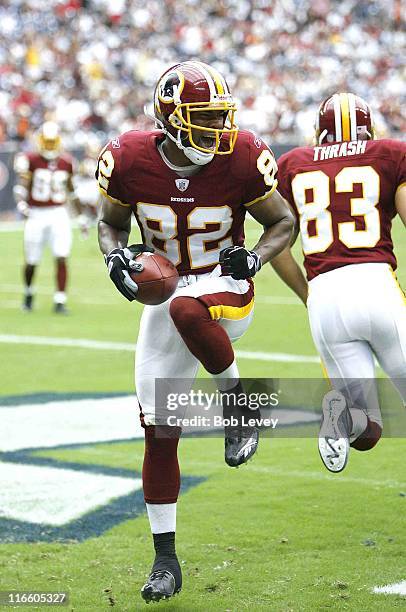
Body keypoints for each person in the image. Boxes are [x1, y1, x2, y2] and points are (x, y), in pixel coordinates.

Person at [96, 60, 294, 603]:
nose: (217, 130)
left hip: (223, 284)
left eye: (219, 117)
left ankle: (241, 407)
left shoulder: (242, 155)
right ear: (170, 119)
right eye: (203, 118)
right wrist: (117, 258)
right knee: (158, 427)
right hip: (168, 288)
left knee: (188, 311)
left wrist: (252, 257)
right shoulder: (130, 159)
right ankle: (166, 560)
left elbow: (283, 222)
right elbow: (109, 223)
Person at [271, 92, 406, 473]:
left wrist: (306, 294)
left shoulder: (294, 163)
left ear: (319, 132)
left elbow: (278, 245)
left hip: (325, 297)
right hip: (377, 284)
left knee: (367, 431)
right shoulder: (390, 153)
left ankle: (340, 419)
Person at [14, 121, 87, 313]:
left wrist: (80, 218)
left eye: (52, 142)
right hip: (36, 214)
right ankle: (29, 293)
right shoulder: (29, 159)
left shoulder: (67, 162)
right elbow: (21, 185)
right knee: (31, 260)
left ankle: (60, 300)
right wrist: (21, 203)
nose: (49, 146)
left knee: (62, 256)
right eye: (47, 142)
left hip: (59, 213)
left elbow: (72, 192)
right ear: (40, 141)